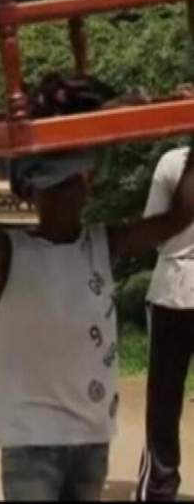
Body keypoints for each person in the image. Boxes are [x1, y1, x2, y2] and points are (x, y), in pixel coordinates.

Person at [0, 118, 194, 501]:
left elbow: (177, 218)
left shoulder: (102, 244)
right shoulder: (12, 251)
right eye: (57, 187)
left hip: (91, 438)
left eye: (74, 184)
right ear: (34, 195)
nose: (68, 196)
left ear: (86, 190)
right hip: (31, 440)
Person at [135, 143, 194, 501]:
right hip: (175, 288)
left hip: (175, 287)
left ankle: (160, 484)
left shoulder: (173, 162)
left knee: (164, 397)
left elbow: (153, 228)